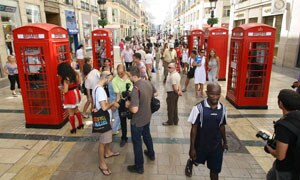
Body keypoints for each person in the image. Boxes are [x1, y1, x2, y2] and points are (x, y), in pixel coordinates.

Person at [186, 82, 228, 179]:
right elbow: (194, 128)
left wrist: (225, 142)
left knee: (215, 170)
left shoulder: (223, 109)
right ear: (206, 93)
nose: (215, 97)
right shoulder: (198, 108)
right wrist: (192, 148)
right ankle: (191, 162)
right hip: (201, 144)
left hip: (216, 146)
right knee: (195, 159)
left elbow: (222, 126)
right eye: (212, 94)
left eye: (218, 94)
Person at [125, 66, 157, 174]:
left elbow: (134, 109)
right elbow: (155, 93)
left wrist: (128, 104)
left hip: (137, 121)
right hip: (147, 116)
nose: (128, 78)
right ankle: (151, 154)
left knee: (137, 143)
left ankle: (139, 167)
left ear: (133, 76)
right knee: (147, 135)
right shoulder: (147, 82)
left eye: (129, 76)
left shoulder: (135, 89)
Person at [266, 89, 300, 180]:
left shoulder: (283, 127)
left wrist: (269, 149)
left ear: (281, 103)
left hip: (287, 169)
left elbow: (280, 156)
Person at [92, 71, 120, 176]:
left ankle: (108, 153)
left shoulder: (96, 87)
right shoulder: (100, 90)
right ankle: (102, 164)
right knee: (103, 142)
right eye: (110, 79)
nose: (110, 81)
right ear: (106, 78)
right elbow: (103, 107)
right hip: (104, 118)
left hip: (105, 117)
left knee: (106, 139)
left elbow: (98, 104)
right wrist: (113, 103)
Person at [57, 62, 83, 134]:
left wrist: (60, 88)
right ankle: (81, 124)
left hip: (70, 96)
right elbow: (79, 82)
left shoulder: (66, 79)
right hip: (76, 93)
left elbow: (65, 90)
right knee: (76, 110)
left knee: (71, 113)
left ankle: (73, 128)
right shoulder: (75, 73)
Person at [112, 64, 133, 147]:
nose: (120, 73)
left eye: (122, 72)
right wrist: (115, 104)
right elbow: (118, 95)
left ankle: (137, 135)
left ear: (124, 70)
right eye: (118, 71)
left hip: (132, 100)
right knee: (123, 120)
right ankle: (124, 137)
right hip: (122, 101)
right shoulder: (114, 81)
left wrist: (129, 97)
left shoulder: (129, 77)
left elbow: (134, 85)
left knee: (134, 119)